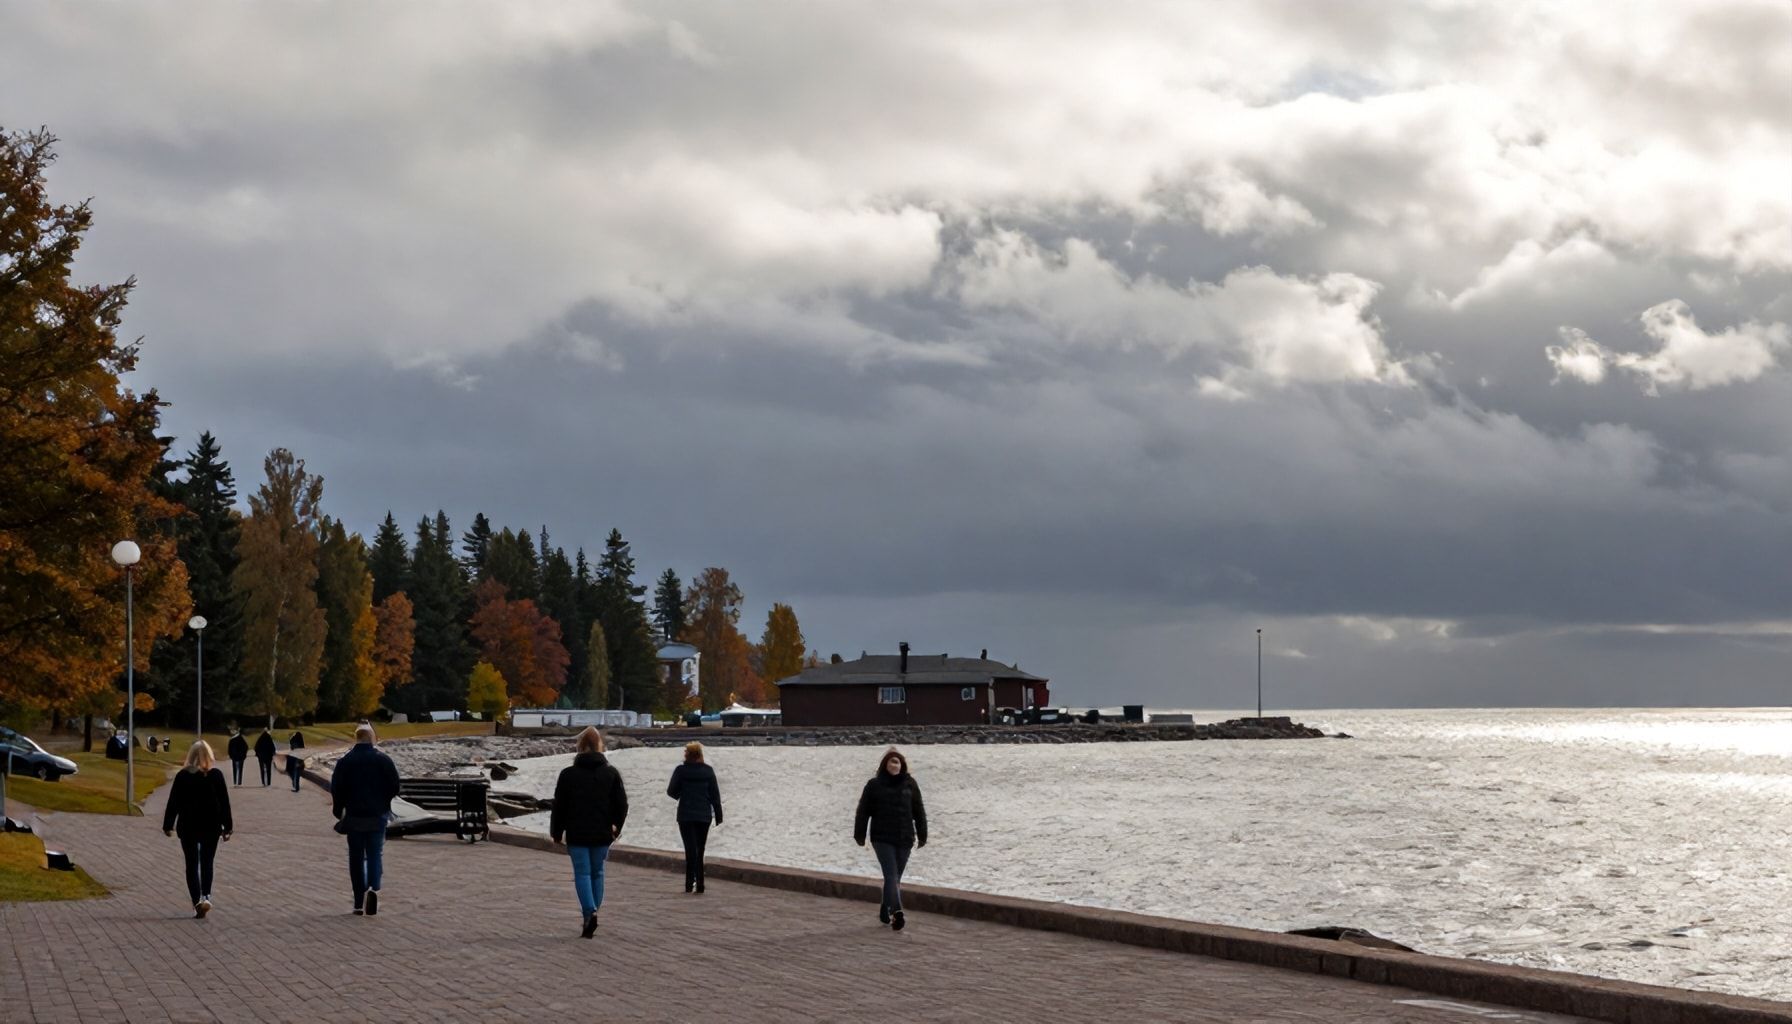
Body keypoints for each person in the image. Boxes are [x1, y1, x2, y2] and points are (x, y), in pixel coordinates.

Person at [549, 727, 628, 938]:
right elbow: (621, 805)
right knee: (598, 872)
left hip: (577, 831)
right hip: (602, 832)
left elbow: (559, 806)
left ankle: (589, 911)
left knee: (582, 873)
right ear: (600, 746)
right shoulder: (611, 773)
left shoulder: (568, 774)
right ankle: (594, 910)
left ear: (580, 747)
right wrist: (616, 827)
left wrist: (556, 832)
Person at [330, 724, 401, 916]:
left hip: (354, 816)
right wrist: (384, 802)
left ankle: (358, 901)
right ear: (372, 739)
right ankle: (374, 887)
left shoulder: (345, 761)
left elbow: (336, 787)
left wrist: (339, 810)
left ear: (356, 739)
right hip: (377, 815)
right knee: (375, 853)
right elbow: (395, 785)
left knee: (356, 857)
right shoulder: (383, 760)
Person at [854, 747, 927, 932]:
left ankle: (884, 908)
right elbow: (863, 811)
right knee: (891, 875)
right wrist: (860, 834)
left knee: (895, 878)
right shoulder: (874, 785)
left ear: (902, 765)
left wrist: (922, 834)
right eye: (891, 762)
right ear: (884, 765)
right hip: (882, 838)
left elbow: (918, 810)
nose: (894, 765)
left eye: (897, 762)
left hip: (905, 838)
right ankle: (897, 912)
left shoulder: (910, 784)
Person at [161, 741, 233, 919]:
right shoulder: (216, 776)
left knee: (191, 864)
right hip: (211, 825)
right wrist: (228, 827)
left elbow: (174, 802)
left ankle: (196, 902)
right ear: (209, 756)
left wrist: (168, 824)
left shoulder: (183, 776)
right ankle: (206, 895)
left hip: (188, 825)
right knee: (207, 861)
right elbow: (224, 802)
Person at [665, 741, 723, 894]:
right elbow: (715, 795)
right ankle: (701, 884)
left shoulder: (681, 771)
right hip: (704, 815)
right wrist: (719, 816)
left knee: (690, 849)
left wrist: (682, 796)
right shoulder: (708, 771)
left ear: (688, 754)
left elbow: (671, 791)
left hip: (686, 815)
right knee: (700, 849)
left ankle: (689, 883)